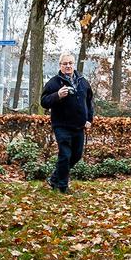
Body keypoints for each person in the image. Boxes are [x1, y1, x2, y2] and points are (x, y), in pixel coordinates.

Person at [40, 54, 93, 193]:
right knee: (65, 154)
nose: (68, 66)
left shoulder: (83, 81)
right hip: (61, 125)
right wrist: (57, 95)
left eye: (70, 63)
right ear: (60, 66)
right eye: (65, 64)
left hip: (79, 125)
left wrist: (89, 119)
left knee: (76, 155)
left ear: (74, 64)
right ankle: (62, 186)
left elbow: (89, 102)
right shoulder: (54, 83)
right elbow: (44, 102)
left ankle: (54, 178)